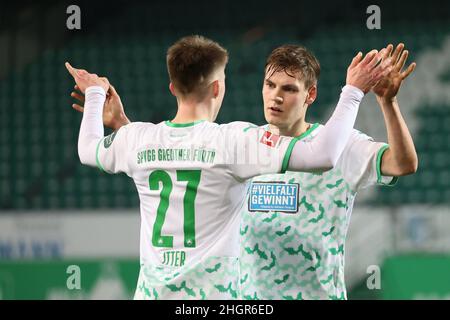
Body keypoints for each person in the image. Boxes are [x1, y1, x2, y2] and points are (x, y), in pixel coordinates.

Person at [66, 35, 391, 299]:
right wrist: (352, 93)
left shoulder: (136, 139)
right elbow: (322, 155)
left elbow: (87, 149)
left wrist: (96, 95)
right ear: (218, 88)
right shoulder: (233, 141)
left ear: (172, 88)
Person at [238, 43, 417, 300]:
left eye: (289, 89)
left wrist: (388, 102)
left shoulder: (340, 144)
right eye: (270, 85)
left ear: (310, 95)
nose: (276, 96)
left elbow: (403, 164)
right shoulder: (243, 144)